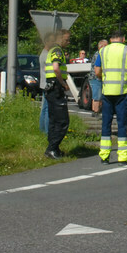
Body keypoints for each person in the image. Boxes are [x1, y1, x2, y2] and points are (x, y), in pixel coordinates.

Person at [95, 30, 127, 164]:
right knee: (122, 124)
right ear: (123, 39)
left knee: (106, 124)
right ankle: (123, 157)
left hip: (107, 92)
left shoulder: (103, 51)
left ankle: (104, 156)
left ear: (111, 39)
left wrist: (106, 78)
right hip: (121, 92)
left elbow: (97, 72)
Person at [43, 29, 72, 159]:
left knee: (54, 120)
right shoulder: (57, 50)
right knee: (63, 120)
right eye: (66, 39)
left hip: (51, 87)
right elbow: (56, 68)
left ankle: (54, 148)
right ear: (60, 39)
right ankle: (52, 148)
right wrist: (63, 83)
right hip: (56, 87)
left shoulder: (53, 50)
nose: (68, 42)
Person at [88, 39, 108, 117]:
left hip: (97, 77)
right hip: (96, 78)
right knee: (97, 95)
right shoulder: (98, 54)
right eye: (106, 46)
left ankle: (97, 111)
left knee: (98, 95)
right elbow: (97, 69)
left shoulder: (100, 54)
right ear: (102, 46)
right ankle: (96, 112)